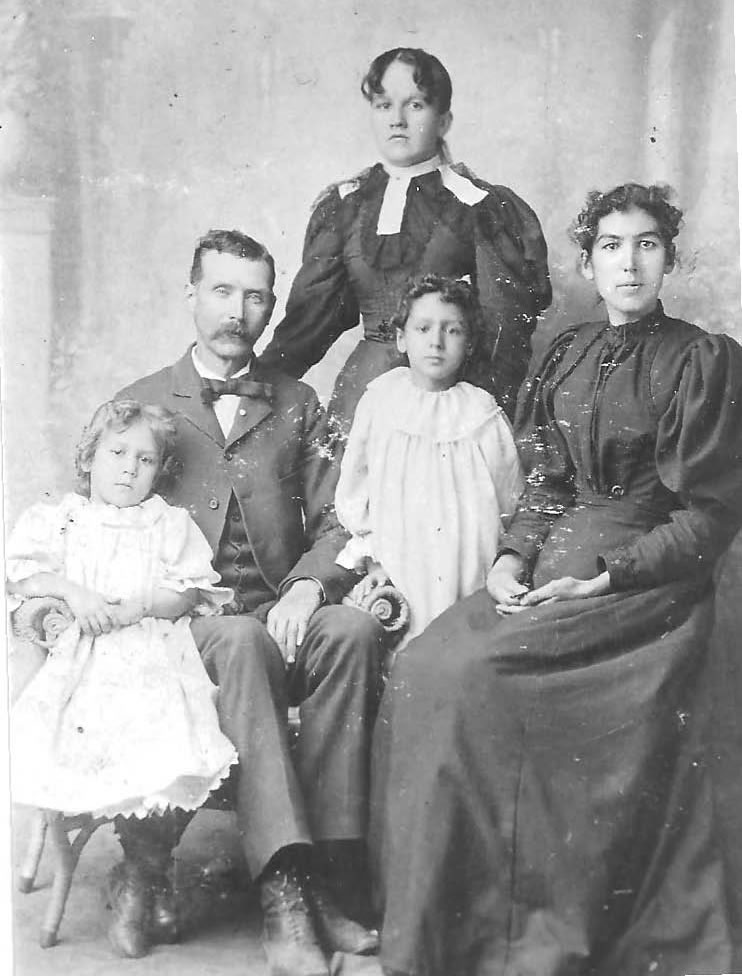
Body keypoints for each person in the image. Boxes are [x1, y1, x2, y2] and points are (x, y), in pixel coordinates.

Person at [370, 184, 742, 976]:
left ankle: (518, 928)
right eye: (611, 245)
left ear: (668, 257)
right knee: (423, 664)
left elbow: (709, 519)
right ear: (589, 259)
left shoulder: (701, 359)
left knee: (479, 675)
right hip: (548, 569)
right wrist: (510, 557)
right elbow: (544, 487)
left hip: (647, 588)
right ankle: (440, 926)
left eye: (646, 244)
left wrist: (604, 581)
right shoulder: (567, 352)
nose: (629, 262)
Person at [116, 229, 384, 976]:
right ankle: (286, 891)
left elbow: (342, 517)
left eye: (257, 296)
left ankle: (329, 872)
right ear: (192, 293)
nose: (239, 311)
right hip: (184, 630)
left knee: (355, 630)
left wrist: (306, 585)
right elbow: (99, 527)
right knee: (237, 640)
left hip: (278, 612)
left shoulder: (299, 403)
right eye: (224, 292)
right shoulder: (139, 406)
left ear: (272, 306)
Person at [7, 399, 238, 957]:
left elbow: (189, 590)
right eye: (117, 453)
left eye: (145, 459)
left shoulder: (165, 521)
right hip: (84, 660)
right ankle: (147, 876)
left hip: (152, 650)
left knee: (167, 727)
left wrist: (139, 606)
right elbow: (23, 573)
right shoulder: (63, 516)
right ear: (90, 457)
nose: (129, 468)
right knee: (94, 720)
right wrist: (73, 592)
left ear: (160, 471)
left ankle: (145, 873)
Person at [260, 47, 551, 438]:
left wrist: (474, 418)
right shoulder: (347, 206)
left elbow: (504, 334)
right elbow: (306, 325)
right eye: (383, 105)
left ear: (444, 119)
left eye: (414, 105)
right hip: (361, 401)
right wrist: (257, 386)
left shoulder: (479, 206)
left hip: (446, 401)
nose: (396, 120)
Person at [334, 274, 523, 646]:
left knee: (458, 649)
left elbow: (510, 498)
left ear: (469, 344)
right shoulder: (380, 401)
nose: (436, 342)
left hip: (467, 559)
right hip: (400, 559)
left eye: (452, 331)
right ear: (402, 338)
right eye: (423, 328)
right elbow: (355, 489)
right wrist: (372, 558)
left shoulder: (482, 412)